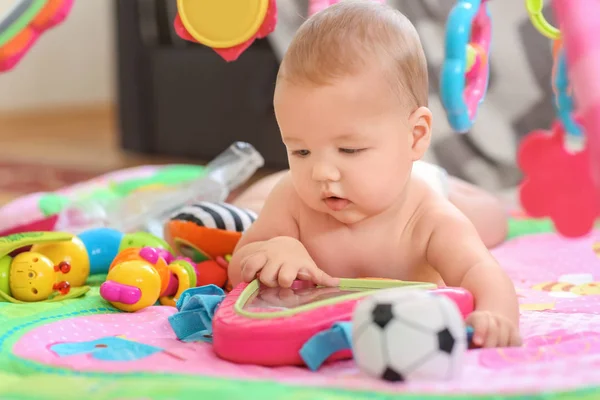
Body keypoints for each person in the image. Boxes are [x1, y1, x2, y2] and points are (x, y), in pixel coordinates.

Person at [229, 0, 520, 348]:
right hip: (387, 174)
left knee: (491, 218)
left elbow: (481, 272)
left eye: (349, 149)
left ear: (415, 136)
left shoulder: (429, 219)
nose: (321, 171)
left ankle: (445, 180)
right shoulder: (293, 201)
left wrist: (496, 315)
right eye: (300, 150)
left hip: (422, 183)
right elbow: (237, 268)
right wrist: (273, 250)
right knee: (274, 188)